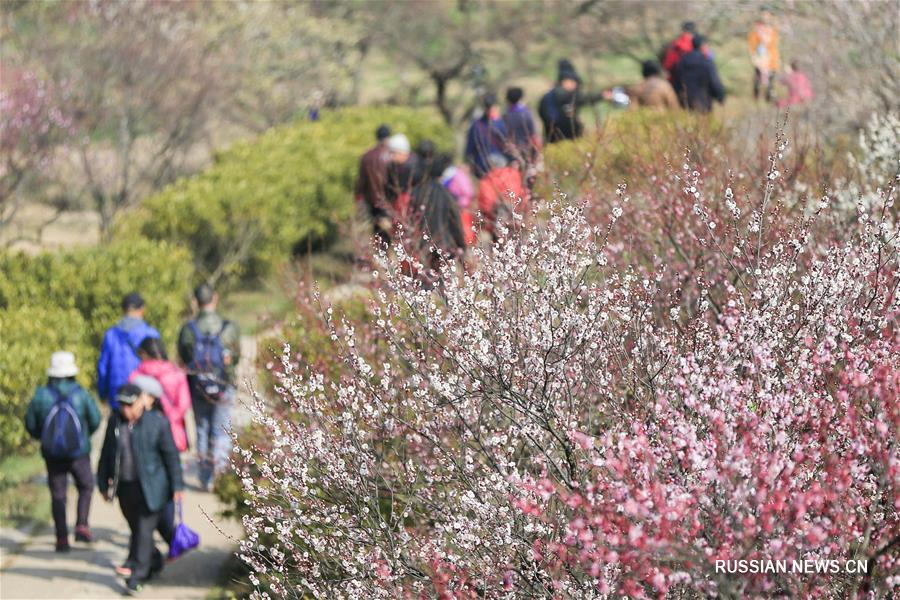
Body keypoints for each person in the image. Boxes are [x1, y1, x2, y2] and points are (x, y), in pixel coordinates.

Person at [97, 382, 184, 594]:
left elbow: (171, 456)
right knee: (137, 529)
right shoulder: (115, 422)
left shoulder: (158, 423)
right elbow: (106, 454)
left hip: (152, 488)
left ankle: (137, 575)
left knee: (144, 530)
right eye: (122, 406)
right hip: (126, 488)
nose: (126, 410)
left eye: (130, 405)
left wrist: (177, 485)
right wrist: (102, 482)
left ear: (140, 402)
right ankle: (154, 560)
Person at [24, 351, 102, 552]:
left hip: (53, 455)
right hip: (79, 452)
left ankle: (61, 538)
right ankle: (82, 525)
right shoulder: (82, 394)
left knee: (58, 495)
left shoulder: (41, 395)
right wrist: (82, 437)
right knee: (86, 486)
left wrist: (46, 439)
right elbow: (95, 420)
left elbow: (31, 424)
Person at [177, 283, 240, 492]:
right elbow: (236, 357)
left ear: (195, 301)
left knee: (202, 429)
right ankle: (220, 475)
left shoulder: (188, 330)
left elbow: (184, 357)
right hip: (223, 385)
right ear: (216, 298)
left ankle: (205, 478)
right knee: (221, 430)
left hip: (197, 386)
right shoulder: (229, 327)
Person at [97, 292, 160, 409]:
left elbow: (103, 368)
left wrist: (102, 393)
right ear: (142, 310)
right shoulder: (150, 333)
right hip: (144, 396)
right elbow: (159, 366)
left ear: (123, 310)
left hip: (117, 394)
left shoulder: (111, 335)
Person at [129, 337, 191, 454]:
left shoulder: (136, 376)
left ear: (144, 354)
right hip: (172, 431)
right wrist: (168, 420)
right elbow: (183, 405)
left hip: (143, 431)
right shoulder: (176, 373)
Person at [407, 157, 466, 277]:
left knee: (425, 279)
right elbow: (455, 221)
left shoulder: (416, 192)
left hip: (423, 244)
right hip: (445, 242)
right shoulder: (447, 194)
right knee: (444, 280)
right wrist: (461, 244)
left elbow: (410, 219)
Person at [538, 59, 604, 144]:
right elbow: (584, 98)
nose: (575, 85)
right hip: (565, 139)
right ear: (565, 81)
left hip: (552, 139)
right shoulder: (566, 96)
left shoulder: (549, 96)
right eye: (572, 82)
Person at [355, 124, 392, 245]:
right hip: (391, 198)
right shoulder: (393, 155)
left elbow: (361, 181)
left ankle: (382, 259)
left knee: (378, 231)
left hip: (373, 200)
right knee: (394, 230)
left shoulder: (367, 156)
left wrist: (359, 198)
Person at [477, 153, 528, 240]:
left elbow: (486, 204)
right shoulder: (515, 174)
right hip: (517, 218)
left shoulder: (487, 180)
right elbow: (523, 194)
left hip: (497, 222)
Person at [672, 35, 726, 113]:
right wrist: (720, 97)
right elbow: (714, 82)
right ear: (702, 46)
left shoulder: (682, 61)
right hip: (703, 104)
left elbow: (676, 81)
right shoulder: (707, 62)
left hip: (685, 104)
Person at [436, 154, 477, 246]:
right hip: (455, 206)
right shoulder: (454, 174)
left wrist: (459, 203)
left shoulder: (454, 174)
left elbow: (468, 193)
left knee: (464, 230)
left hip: (460, 207)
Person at [465, 93, 507, 178]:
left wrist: (469, 164)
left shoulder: (476, 125)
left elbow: (469, 149)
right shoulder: (501, 124)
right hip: (499, 165)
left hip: (482, 165)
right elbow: (506, 145)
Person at [502, 87, 540, 168]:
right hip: (528, 148)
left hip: (513, 151)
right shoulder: (527, 113)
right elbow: (533, 133)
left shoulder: (506, 116)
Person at [748, 10, 780, 102]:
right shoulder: (756, 30)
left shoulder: (773, 31)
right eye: (764, 14)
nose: (766, 16)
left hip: (771, 59)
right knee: (758, 79)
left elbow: (774, 44)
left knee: (771, 80)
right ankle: (756, 98)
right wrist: (754, 55)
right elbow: (752, 45)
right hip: (760, 59)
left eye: (768, 14)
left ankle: (769, 98)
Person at [384, 133, 415, 222]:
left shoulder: (413, 169)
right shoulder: (393, 167)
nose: (391, 156)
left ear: (402, 153)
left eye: (393, 153)